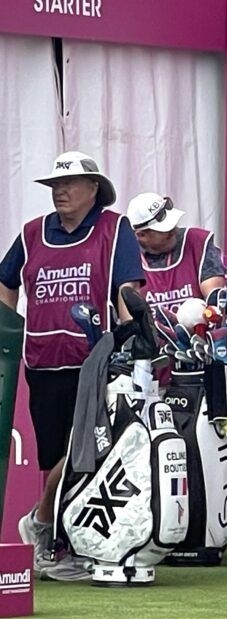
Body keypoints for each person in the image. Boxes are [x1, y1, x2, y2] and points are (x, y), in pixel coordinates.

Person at [1, 151, 146, 581]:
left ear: (93, 190)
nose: (59, 192)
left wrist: (129, 339)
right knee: (52, 455)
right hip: (43, 361)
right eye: (54, 186)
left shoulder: (113, 228)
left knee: (85, 452)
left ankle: (46, 525)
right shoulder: (32, 234)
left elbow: (126, 287)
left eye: (68, 185)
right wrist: (12, 330)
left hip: (94, 359)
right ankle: (58, 540)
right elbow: (7, 281)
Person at [126, 192, 227, 397]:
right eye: (163, 230)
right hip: (154, 373)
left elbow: (215, 294)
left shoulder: (198, 243)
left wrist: (213, 311)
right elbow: (128, 311)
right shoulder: (126, 256)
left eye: (172, 224)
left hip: (206, 363)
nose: (173, 231)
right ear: (141, 235)